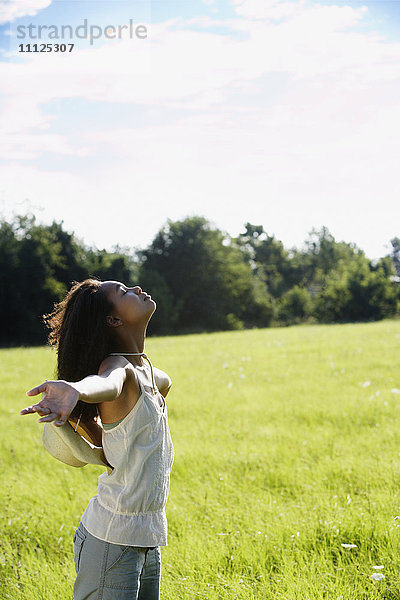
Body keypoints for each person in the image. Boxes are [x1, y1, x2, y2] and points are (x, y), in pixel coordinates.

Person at [20, 279, 174, 600]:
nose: (135, 289)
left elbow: (157, 386)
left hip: (146, 539)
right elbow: (107, 382)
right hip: (112, 541)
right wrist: (76, 389)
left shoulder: (149, 374)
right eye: (122, 292)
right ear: (114, 320)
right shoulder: (119, 367)